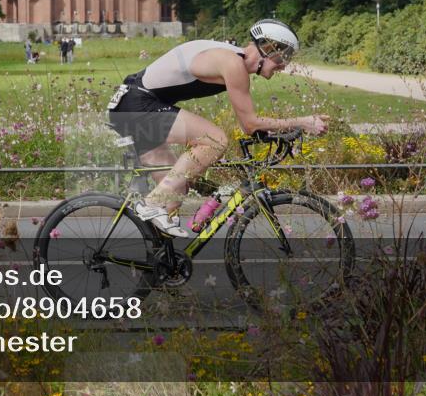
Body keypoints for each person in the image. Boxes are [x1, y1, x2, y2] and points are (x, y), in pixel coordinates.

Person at [107, 19, 329, 237]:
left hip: (130, 102)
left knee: (175, 193)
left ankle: (160, 266)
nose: (284, 65)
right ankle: (151, 203)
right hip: (137, 104)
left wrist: (275, 131)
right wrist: (303, 121)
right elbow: (250, 124)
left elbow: (249, 125)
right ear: (268, 48)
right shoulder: (232, 63)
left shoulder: (231, 59)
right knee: (214, 140)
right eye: (284, 56)